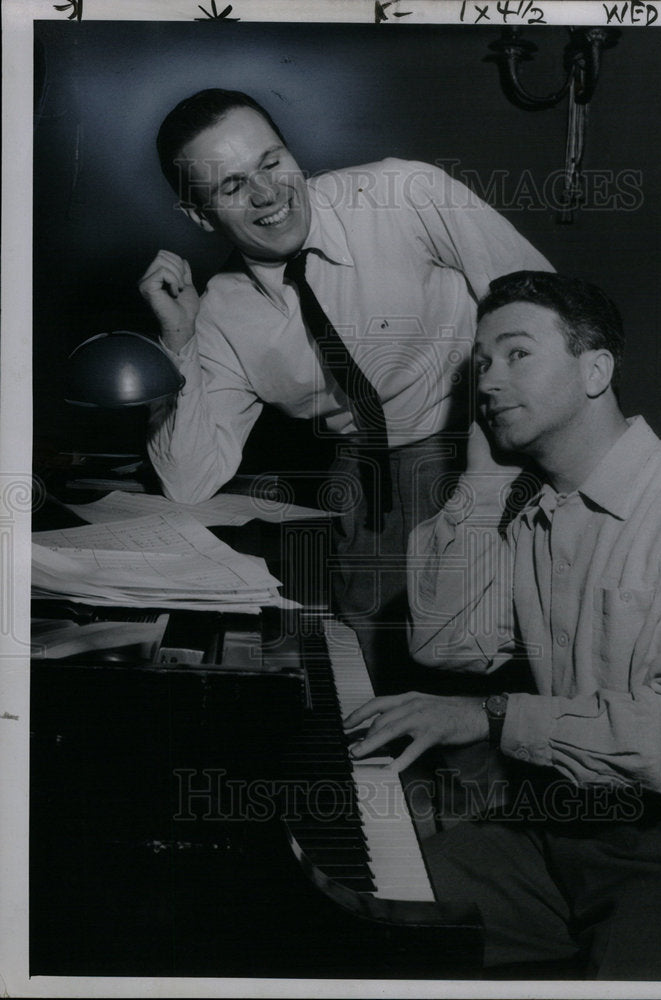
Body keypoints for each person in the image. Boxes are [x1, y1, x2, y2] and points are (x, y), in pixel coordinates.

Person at [344, 271, 661, 980]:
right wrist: (480, 481)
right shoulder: (538, 512)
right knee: (372, 909)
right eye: (480, 364)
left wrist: (493, 716)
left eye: (516, 354)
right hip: (563, 818)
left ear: (596, 369)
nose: (488, 382)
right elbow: (447, 643)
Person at [139, 89, 552, 684]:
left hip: (488, 447)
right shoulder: (221, 313)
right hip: (368, 487)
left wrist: (502, 465)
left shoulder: (402, 194)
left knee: (511, 670)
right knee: (378, 687)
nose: (267, 195)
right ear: (200, 216)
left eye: (272, 162)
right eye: (231, 188)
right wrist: (177, 339)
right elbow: (186, 480)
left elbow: (539, 308)